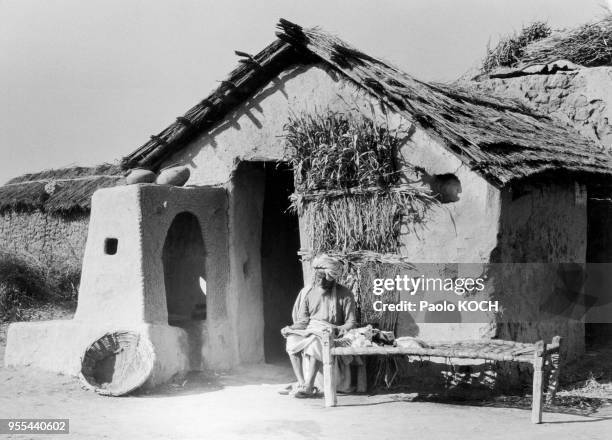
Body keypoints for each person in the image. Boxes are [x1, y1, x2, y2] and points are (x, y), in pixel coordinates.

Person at [280, 254, 357, 398]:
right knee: (291, 340)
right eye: (318, 277)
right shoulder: (309, 293)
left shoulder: (345, 294)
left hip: (331, 333)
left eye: (325, 278)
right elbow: (303, 322)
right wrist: (290, 329)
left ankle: (309, 386)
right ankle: (302, 382)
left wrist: (336, 329)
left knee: (315, 341)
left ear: (332, 277)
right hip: (311, 330)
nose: (321, 280)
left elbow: (351, 323)